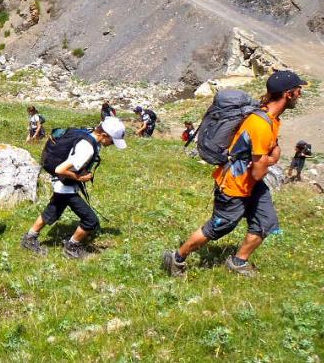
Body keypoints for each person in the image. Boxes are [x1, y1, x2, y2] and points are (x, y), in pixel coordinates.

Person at [162, 70, 306, 277]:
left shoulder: (272, 118)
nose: (300, 95)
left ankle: (238, 262)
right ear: (288, 93)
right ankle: (176, 258)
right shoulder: (260, 124)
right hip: (234, 185)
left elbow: (269, 153)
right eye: (298, 90)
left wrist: (268, 157)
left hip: (251, 184)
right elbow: (260, 170)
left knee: (265, 222)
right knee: (218, 228)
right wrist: (272, 159)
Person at [21, 117, 127, 258]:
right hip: (65, 186)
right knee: (91, 221)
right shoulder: (87, 148)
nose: (112, 144)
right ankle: (72, 247)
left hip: (62, 184)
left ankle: (29, 238)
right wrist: (80, 177)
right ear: (104, 135)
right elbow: (60, 169)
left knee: (52, 211)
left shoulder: (89, 134)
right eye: (113, 141)